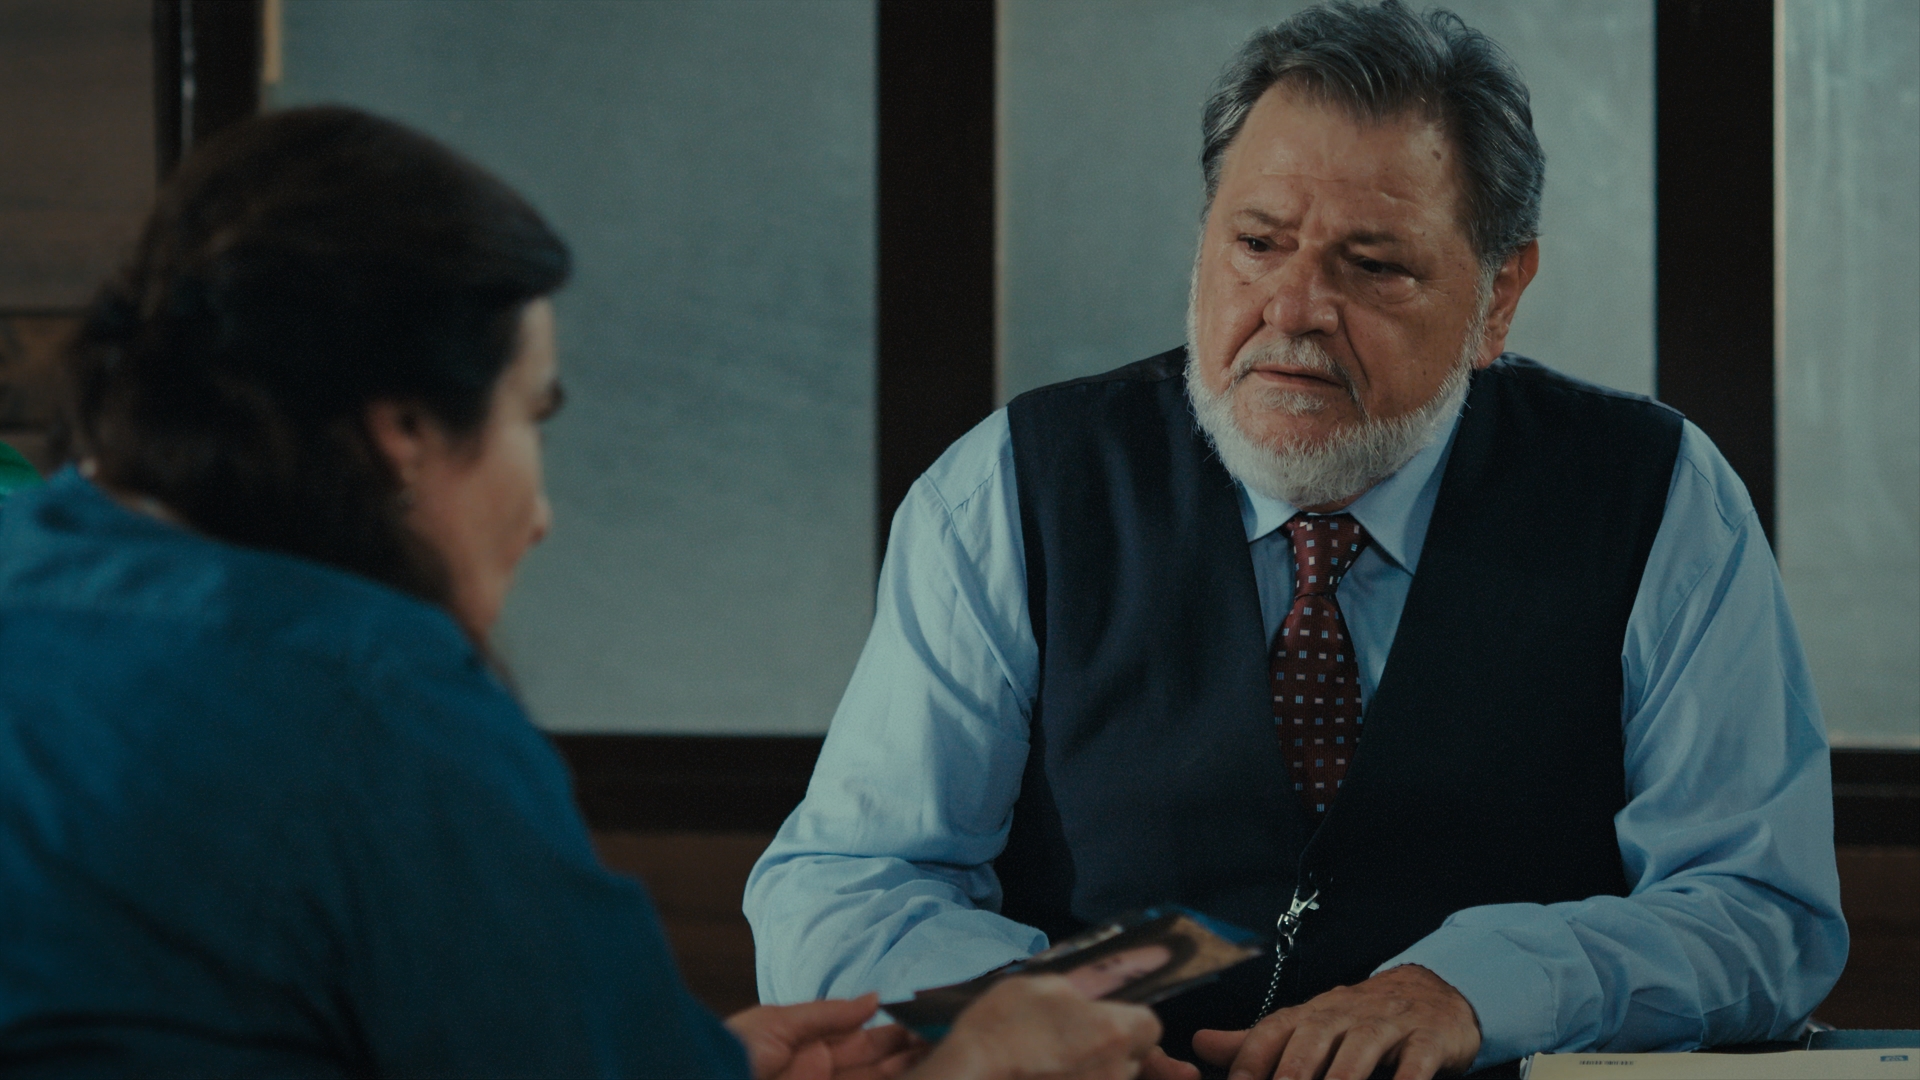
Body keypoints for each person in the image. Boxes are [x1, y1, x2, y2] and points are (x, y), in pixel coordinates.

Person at [744, 3, 1848, 1079]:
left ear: (1500, 294)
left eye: (1374, 265)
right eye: (1257, 244)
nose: (1293, 308)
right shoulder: (1008, 488)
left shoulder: (1657, 496)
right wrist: (1026, 1027)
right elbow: (847, 882)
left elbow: (1761, 908)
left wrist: (1480, 989)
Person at [0, 106, 1165, 1080]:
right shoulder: (375, 702)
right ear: (403, 431)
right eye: (531, 417)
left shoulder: (28, 561)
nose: (544, 513)